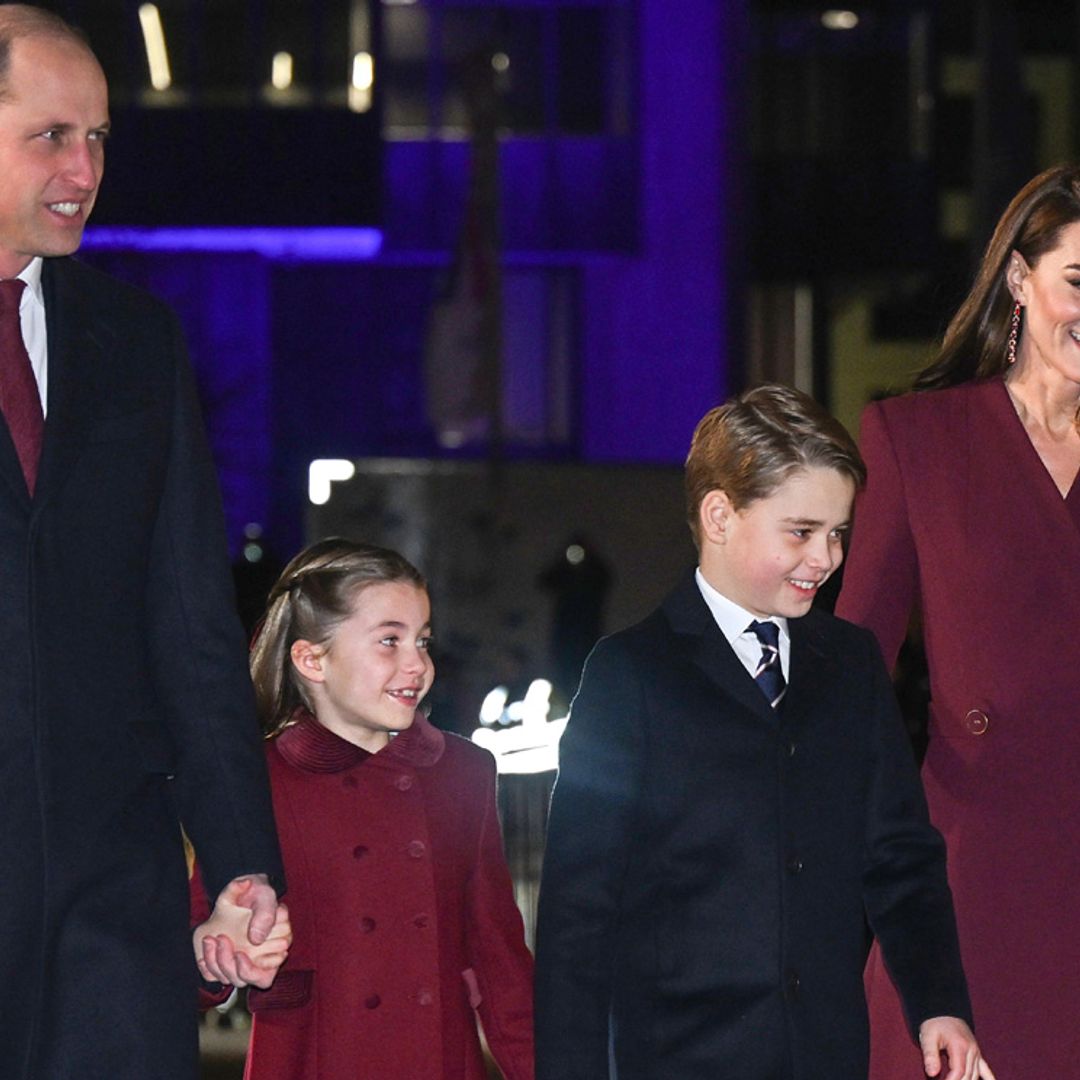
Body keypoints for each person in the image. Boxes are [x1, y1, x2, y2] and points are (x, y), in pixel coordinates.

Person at [534, 385, 994, 1080]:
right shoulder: (631, 677)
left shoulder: (852, 665)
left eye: (840, 533)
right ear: (719, 515)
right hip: (678, 1061)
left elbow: (900, 858)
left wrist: (939, 1004)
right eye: (802, 532)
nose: (827, 558)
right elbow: (578, 915)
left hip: (826, 1056)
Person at [0, 7, 284, 1078]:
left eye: (101, 137)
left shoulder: (137, 343)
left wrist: (241, 861)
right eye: (52, 136)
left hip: (112, 914)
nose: (86, 166)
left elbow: (192, 629)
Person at [836, 162, 1080, 1078]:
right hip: (973, 863)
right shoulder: (919, 439)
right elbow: (853, 667)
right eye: (1078, 282)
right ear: (1020, 278)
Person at [217, 538, 535, 1080]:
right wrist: (220, 952)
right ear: (312, 659)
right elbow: (196, 948)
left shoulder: (463, 773)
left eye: (424, 641)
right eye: (390, 640)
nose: (418, 664)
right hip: (310, 1062)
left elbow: (501, 962)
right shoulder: (254, 780)